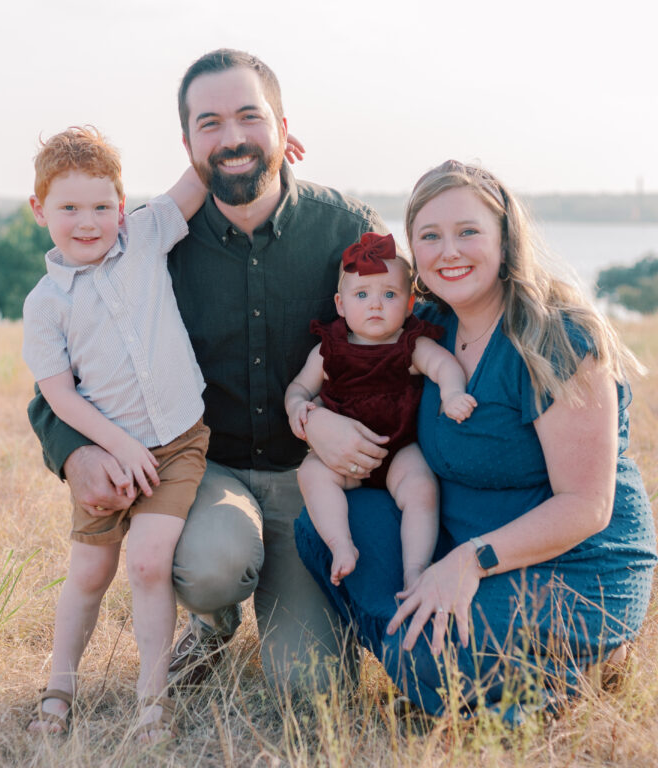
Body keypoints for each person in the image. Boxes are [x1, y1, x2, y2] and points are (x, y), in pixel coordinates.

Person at [27, 50, 389, 696]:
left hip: (312, 483)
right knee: (212, 565)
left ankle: (308, 609)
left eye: (250, 118)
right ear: (189, 143)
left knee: (311, 690)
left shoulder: (347, 231)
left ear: (282, 126)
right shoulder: (145, 245)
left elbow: (402, 342)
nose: (232, 138)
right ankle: (212, 620)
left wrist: (335, 423)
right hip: (203, 475)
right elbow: (62, 377)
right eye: (210, 123)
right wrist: (73, 452)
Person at [294, 159, 658, 723]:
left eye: (468, 232)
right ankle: (434, 663)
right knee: (321, 529)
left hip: (566, 564)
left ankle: (577, 663)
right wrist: (314, 417)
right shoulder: (428, 326)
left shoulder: (554, 338)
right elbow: (349, 376)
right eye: (430, 236)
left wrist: (471, 561)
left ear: (505, 238)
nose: (450, 251)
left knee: (420, 654)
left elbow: (588, 505)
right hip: (453, 542)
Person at [21, 126, 211, 739]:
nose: (88, 221)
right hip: (106, 454)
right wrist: (116, 447)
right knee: (89, 574)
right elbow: (56, 393)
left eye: (102, 206)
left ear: (121, 207)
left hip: (177, 442)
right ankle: (60, 686)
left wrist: (245, 144)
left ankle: (152, 700)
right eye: (69, 207)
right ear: (39, 210)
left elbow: (194, 183)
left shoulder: (145, 238)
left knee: (150, 563)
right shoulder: (46, 302)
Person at [285, 231, 475, 590]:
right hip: (341, 460)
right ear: (341, 305)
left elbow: (445, 365)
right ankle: (341, 545)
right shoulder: (330, 350)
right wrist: (297, 406)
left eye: (389, 295)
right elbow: (299, 387)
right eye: (362, 295)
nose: (375, 305)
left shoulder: (410, 345)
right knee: (311, 474)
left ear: (409, 304)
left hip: (399, 450)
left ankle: (414, 569)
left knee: (421, 489)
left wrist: (452, 394)